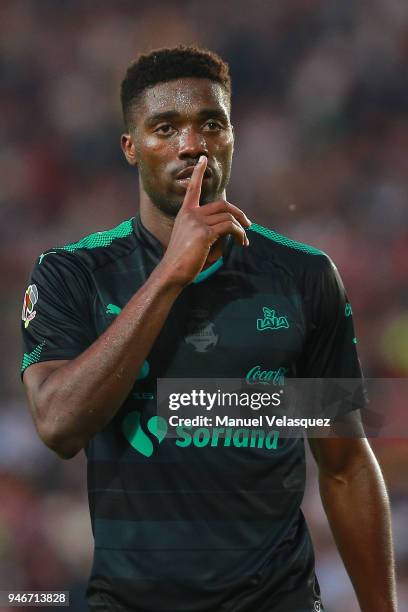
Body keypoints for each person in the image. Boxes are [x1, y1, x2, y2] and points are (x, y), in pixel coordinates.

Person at [21, 46, 397, 612]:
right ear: (130, 147)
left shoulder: (301, 276)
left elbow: (343, 466)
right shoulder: (74, 274)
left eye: (210, 124)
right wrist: (171, 275)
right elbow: (58, 426)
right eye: (165, 128)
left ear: (231, 137)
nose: (191, 144)